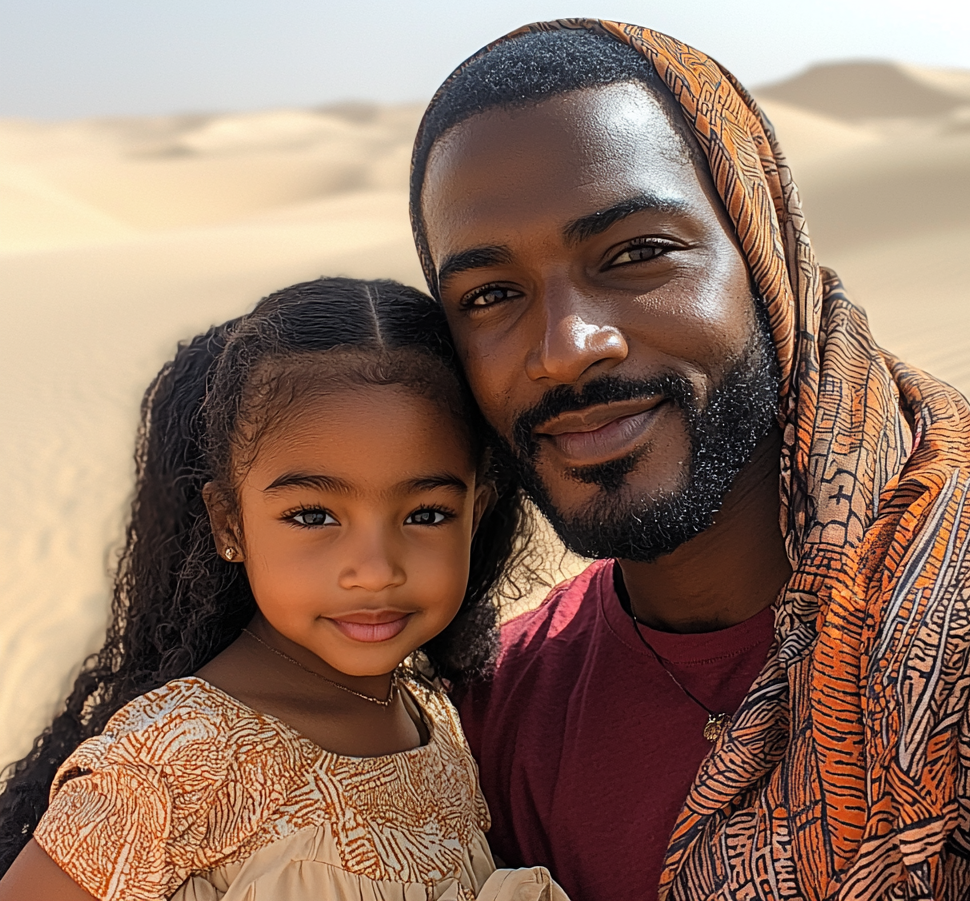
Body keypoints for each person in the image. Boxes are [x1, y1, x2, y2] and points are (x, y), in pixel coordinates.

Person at [408, 20, 970, 900]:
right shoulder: (501, 710)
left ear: (764, 252)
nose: (567, 347)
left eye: (637, 254)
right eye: (491, 295)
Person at [0, 277, 568, 901]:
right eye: (313, 516)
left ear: (475, 515)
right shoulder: (181, 759)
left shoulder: (434, 722)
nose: (375, 569)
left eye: (426, 514)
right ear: (229, 525)